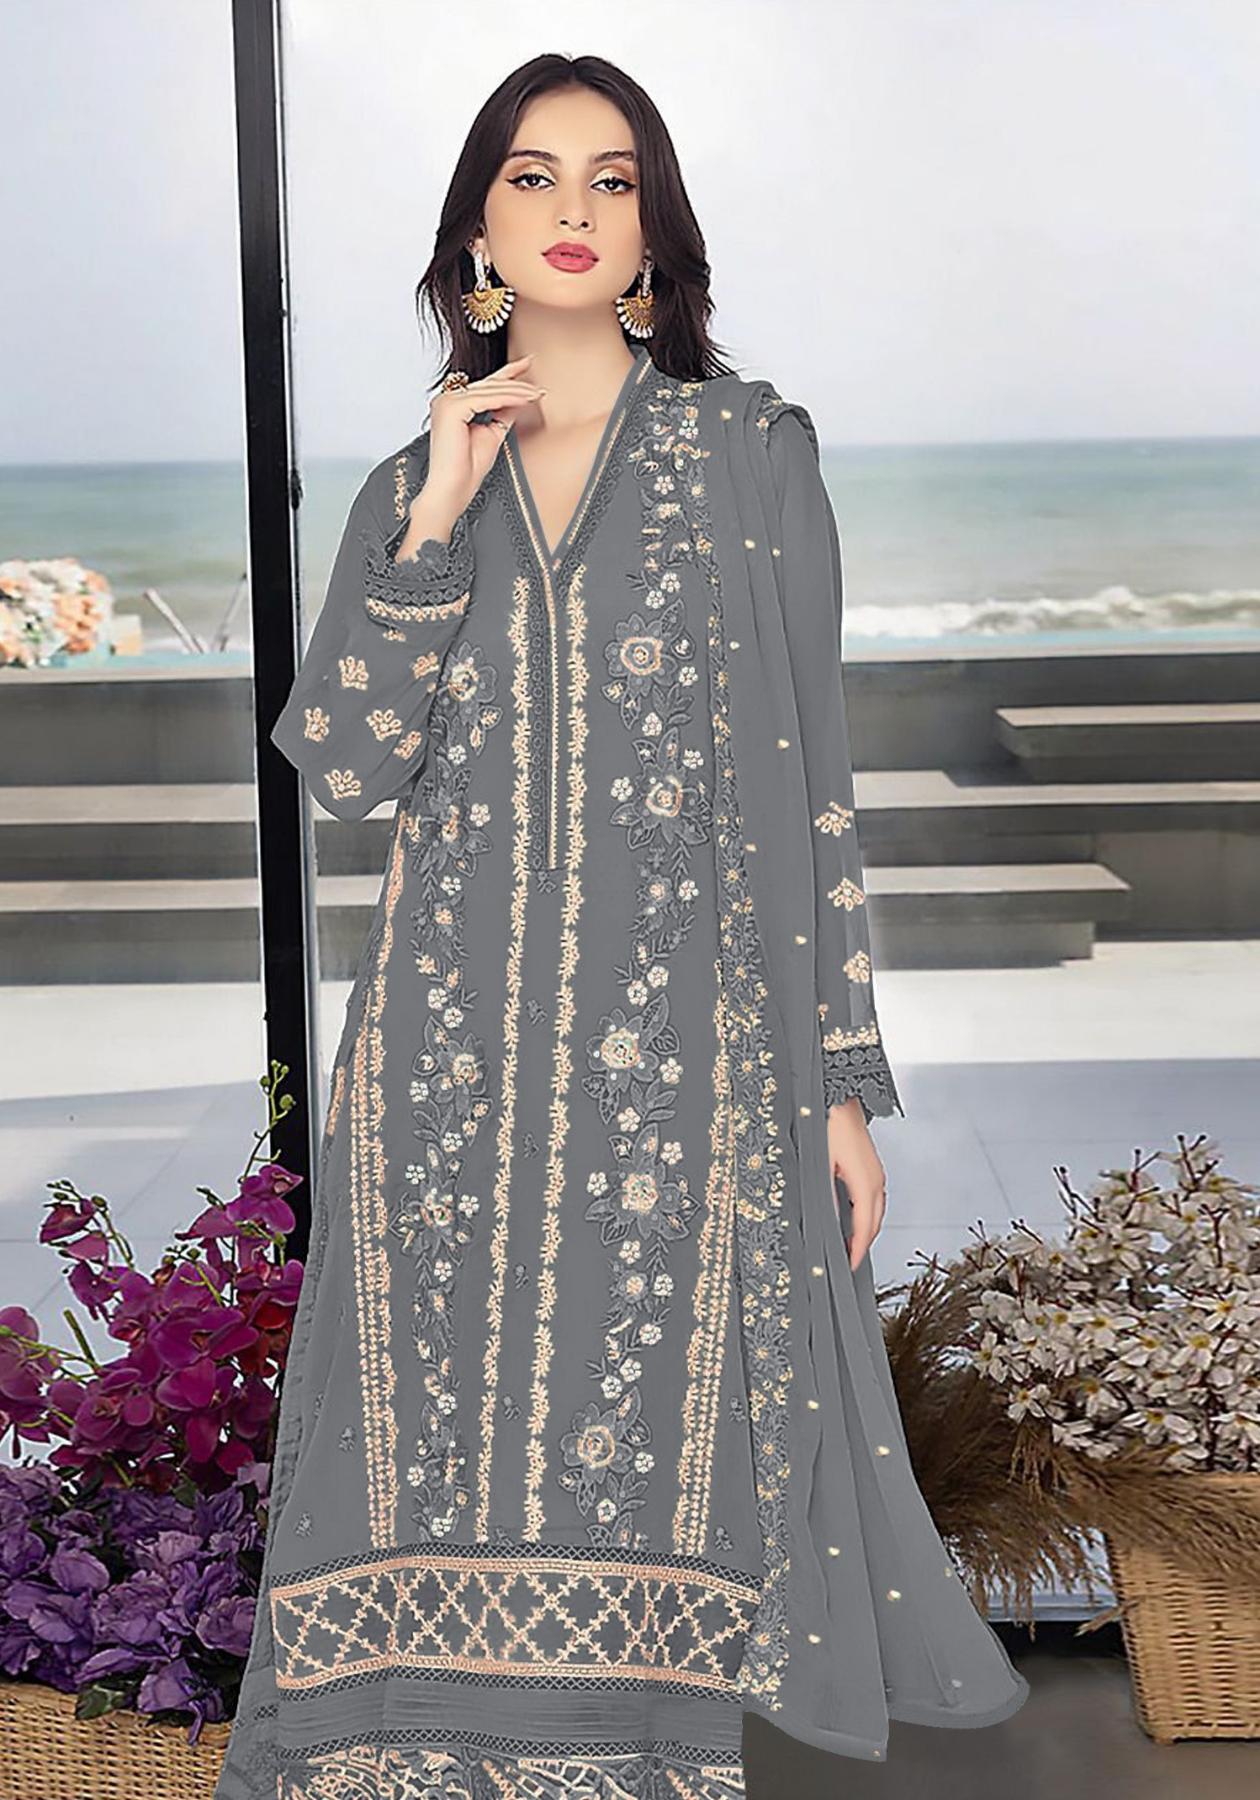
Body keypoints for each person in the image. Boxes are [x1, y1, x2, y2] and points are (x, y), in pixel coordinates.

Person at [214, 50, 1029, 1800]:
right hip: (442, 1058)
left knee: (645, 1435)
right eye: (533, 176)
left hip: (679, 1057)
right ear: (478, 232)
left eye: (611, 178)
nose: (574, 210)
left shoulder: (750, 456)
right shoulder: (409, 483)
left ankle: (625, 1761)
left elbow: (813, 779)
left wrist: (837, 1078)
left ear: (654, 230)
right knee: (422, 1438)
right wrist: (438, 512)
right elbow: (345, 767)